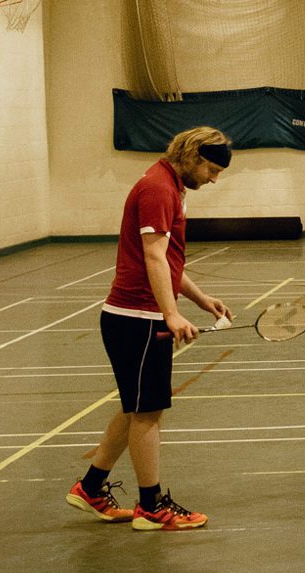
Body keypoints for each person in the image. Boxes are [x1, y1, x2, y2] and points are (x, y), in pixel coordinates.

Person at [66, 126, 234, 531]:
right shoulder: (159, 189)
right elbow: (154, 257)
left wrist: (198, 298)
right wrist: (171, 314)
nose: (213, 179)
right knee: (147, 413)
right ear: (192, 156)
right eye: (211, 169)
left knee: (136, 407)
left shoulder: (169, 185)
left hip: (137, 316)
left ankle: (90, 488)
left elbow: (170, 260)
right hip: (137, 319)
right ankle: (152, 506)